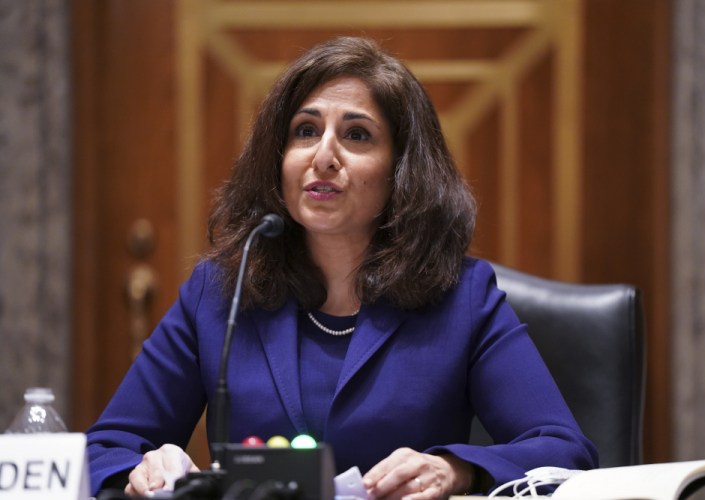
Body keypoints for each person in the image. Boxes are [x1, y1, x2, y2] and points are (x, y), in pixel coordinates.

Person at [86, 36, 598, 499]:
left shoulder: (463, 298)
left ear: (402, 172)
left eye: (356, 136)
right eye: (305, 131)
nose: (323, 156)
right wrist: (146, 469)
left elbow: (563, 449)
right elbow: (102, 451)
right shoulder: (221, 293)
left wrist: (455, 470)